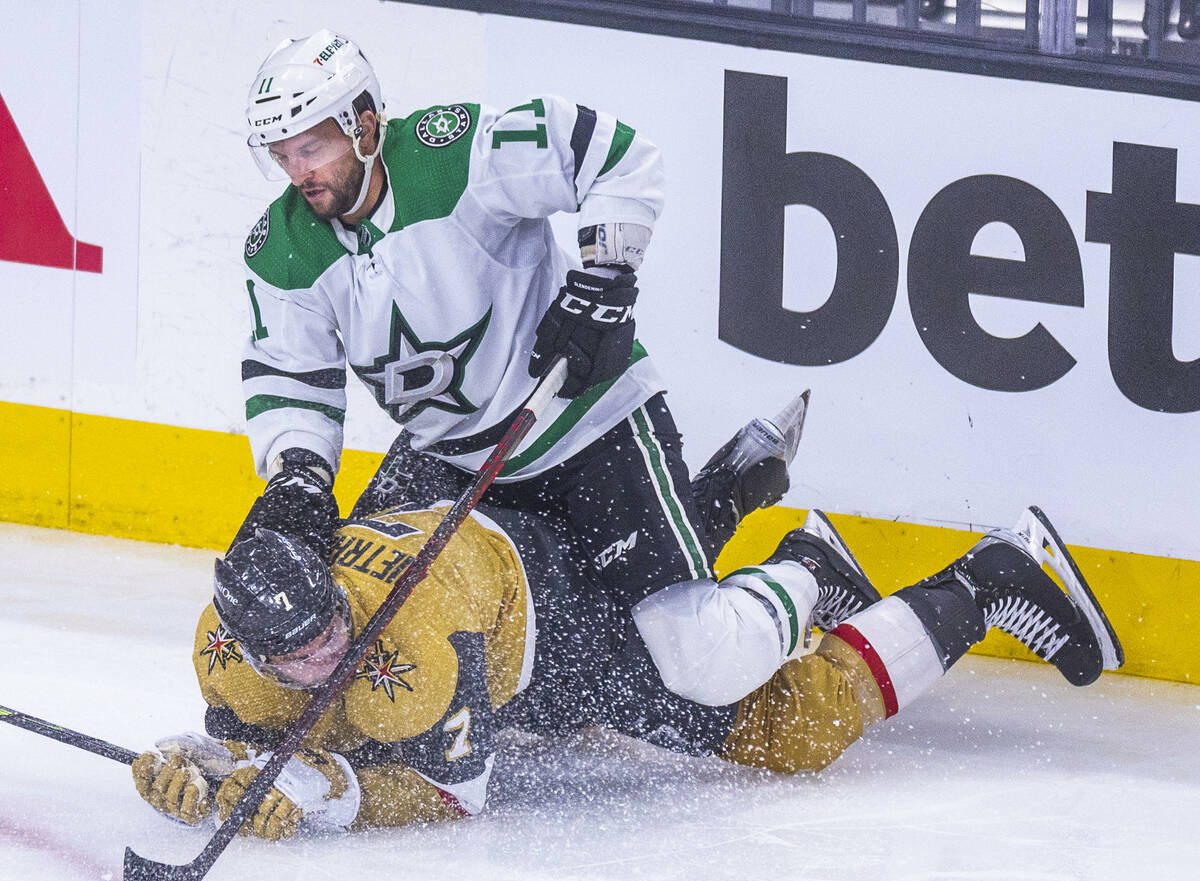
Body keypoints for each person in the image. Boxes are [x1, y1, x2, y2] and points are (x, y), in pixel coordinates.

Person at [233, 28, 824, 707]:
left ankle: (807, 566)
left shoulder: (452, 154)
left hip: (587, 425)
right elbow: (288, 374)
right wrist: (299, 476)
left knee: (694, 666)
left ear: (363, 126)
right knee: (369, 622)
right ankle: (725, 492)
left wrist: (605, 279)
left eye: (312, 148)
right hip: (449, 457)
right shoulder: (279, 249)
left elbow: (619, 157)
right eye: (282, 155)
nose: (298, 171)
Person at [132, 493, 1123, 840]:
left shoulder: (409, 639)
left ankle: (986, 577)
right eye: (301, 651)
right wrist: (193, 767)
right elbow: (255, 741)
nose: (330, 649)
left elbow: (458, 791)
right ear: (247, 648)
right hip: (488, 579)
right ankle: (810, 567)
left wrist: (326, 794)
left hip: (552, 617)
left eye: (332, 624)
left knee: (785, 732)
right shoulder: (225, 654)